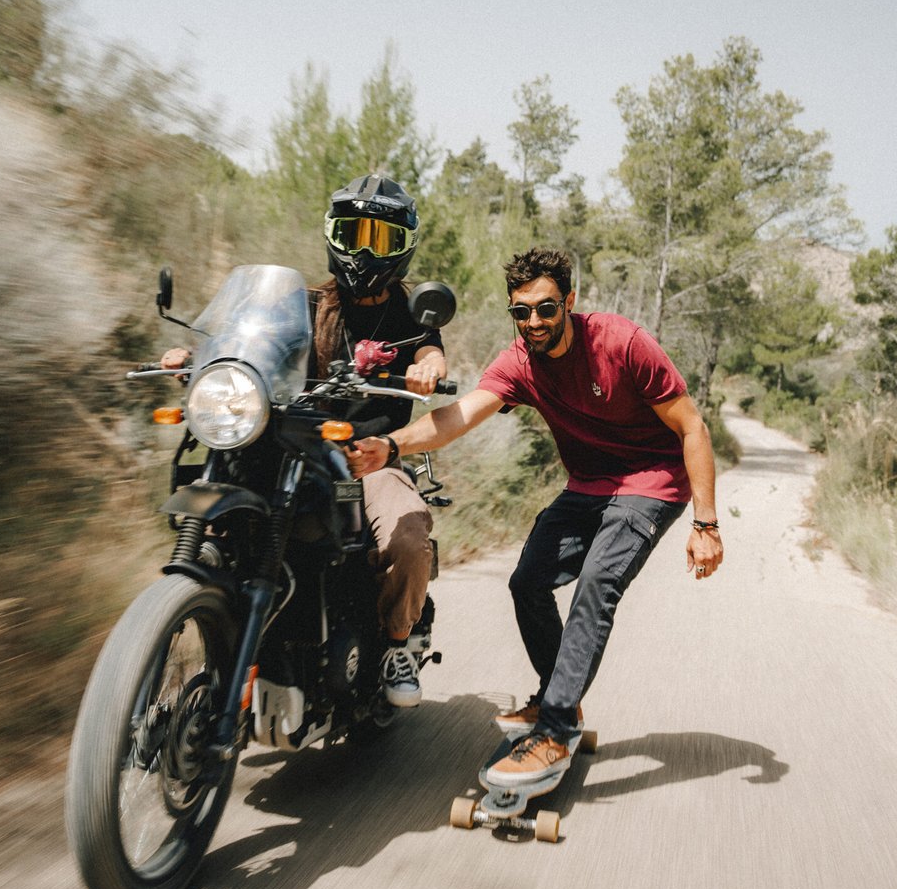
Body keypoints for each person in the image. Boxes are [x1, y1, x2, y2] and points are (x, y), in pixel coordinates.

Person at [347, 246, 724, 783]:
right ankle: (558, 700)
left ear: (569, 302)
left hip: (651, 482)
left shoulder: (621, 343)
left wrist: (706, 524)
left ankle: (553, 729)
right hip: (589, 485)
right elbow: (458, 417)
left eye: (547, 308)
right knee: (527, 582)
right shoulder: (520, 362)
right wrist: (391, 445)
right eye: (521, 311)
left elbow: (692, 427)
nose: (535, 322)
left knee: (597, 584)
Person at [162, 173, 448, 708]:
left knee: (408, 540)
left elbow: (430, 352)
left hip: (367, 459)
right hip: (293, 446)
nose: (365, 250)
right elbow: (255, 341)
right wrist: (202, 359)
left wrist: (427, 368)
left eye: (381, 238)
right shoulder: (306, 302)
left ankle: (396, 644)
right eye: (354, 233)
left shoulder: (411, 316)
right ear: (333, 235)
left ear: (403, 246)